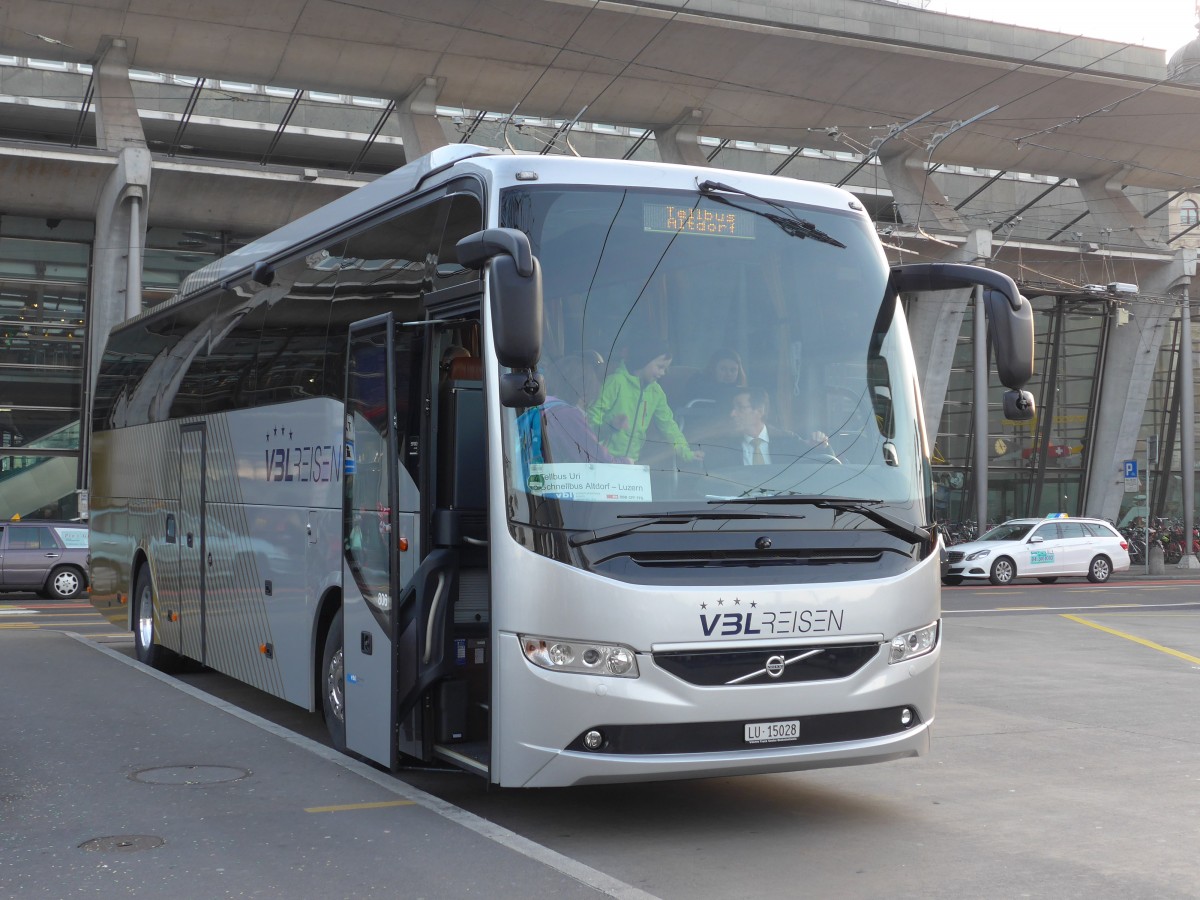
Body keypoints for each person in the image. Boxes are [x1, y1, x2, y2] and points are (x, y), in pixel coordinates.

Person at [587, 339, 700, 464]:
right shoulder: (615, 382)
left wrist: (686, 452)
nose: (663, 373)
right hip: (601, 458)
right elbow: (591, 417)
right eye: (660, 367)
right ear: (644, 360)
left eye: (666, 369)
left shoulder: (656, 392)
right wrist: (607, 428)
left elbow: (668, 425)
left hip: (630, 461)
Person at [706, 386, 833, 467]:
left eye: (740, 407)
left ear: (760, 411)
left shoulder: (787, 440)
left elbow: (825, 464)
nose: (732, 414)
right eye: (733, 408)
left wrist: (822, 446)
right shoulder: (724, 446)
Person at [539, 353, 630, 464]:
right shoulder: (566, 414)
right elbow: (595, 458)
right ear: (582, 390)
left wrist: (610, 428)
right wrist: (626, 463)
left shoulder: (545, 407)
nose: (586, 406)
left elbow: (581, 438)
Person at [683, 348, 748, 408]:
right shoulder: (697, 383)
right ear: (713, 369)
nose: (729, 374)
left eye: (733, 370)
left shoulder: (741, 392)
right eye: (723, 369)